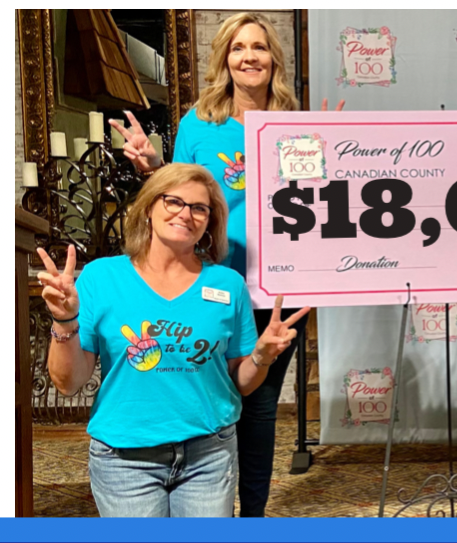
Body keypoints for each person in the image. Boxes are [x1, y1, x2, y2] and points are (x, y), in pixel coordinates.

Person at [110, 12, 343, 517]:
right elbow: (179, 191)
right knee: (215, 402)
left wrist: (337, 151)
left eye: (259, 47)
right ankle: (204, 504)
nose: (249, 56)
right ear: (225, 59)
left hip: (279, 289)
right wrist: (153, 166)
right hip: (212, 285)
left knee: (260, 408)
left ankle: (251, 521)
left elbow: (321, 203)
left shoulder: (295, 124)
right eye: (238, 47)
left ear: (273, 59)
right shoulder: (199, 122)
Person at [37, 164, 309, 517]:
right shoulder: (101, 277)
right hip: (124, 459)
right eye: (174, 201)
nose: (186, 214)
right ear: (148, 207)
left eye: (199, 208)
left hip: (209, 455)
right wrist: (64, 319)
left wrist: (262, 356)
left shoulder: (228, 285)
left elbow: (242, 383)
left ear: (209, 222)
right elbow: (68, 382)